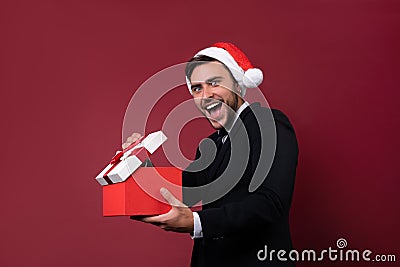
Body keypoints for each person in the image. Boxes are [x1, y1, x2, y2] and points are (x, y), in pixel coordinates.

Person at [126, 42, 298, 266]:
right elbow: (183, 191)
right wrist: (142, 164)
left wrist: (196, 223)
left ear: (237, 84)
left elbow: (270, 203)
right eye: (197, 88)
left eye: (214, 83)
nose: (205, 95)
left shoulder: (269, 124)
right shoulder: (211, 145)